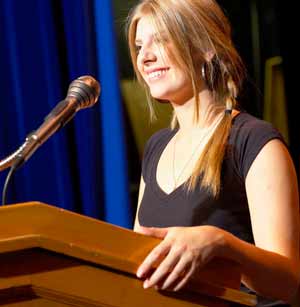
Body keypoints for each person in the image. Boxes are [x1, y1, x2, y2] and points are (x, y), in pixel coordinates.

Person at [126, 0, 300, 305]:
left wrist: (221, 243)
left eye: (161, 39)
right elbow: (140, 260)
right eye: (140, 45)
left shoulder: (253, 141)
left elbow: (287, 281)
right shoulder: (156, 148)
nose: (145, 57)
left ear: (205, 46)